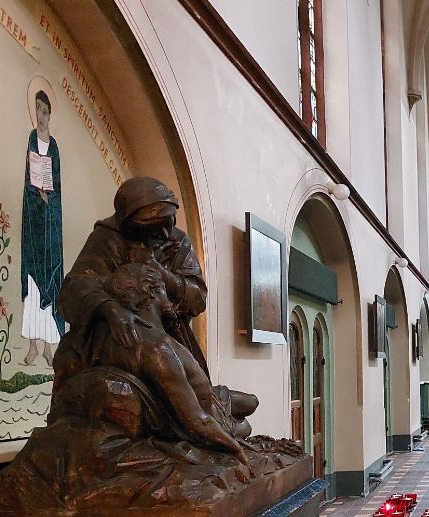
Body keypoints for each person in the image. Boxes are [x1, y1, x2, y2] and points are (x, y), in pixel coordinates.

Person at [54, 176, 256, 433]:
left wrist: (161, 272)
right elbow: (75, 287)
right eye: (153, 226)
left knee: (235, 405)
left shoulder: (177, 241)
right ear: (130, 224)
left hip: (169, 336)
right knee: (229, 420)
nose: (164, 233)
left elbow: (197, 298)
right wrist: (108, 307)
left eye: (168, 222)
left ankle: (219, 410)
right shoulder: (107, 239)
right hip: (121, 340)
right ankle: (218, 417)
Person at [99, 259, 246, 461]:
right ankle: (229, 427)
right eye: (163, 289)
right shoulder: (158, 348)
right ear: (151, 291)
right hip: (201, 421)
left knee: (250, 402)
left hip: (202, 404)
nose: (167, 295)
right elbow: (197, 421)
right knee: (246, 423)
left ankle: (227, 420)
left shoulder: (126, 339)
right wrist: (237, 450)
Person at [20, 89, 65, 367]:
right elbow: (29, 178)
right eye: (36, 108)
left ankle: (49, 345)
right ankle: (32, 346)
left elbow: (57, 183)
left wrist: (50, 196)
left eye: (44, 109)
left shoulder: (55, 146)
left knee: (52, 280)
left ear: (50, 113)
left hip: (51, 224)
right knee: (34, 283)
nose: (40, 114)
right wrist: (37, 194)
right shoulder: (31, 140)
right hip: (34, 223)